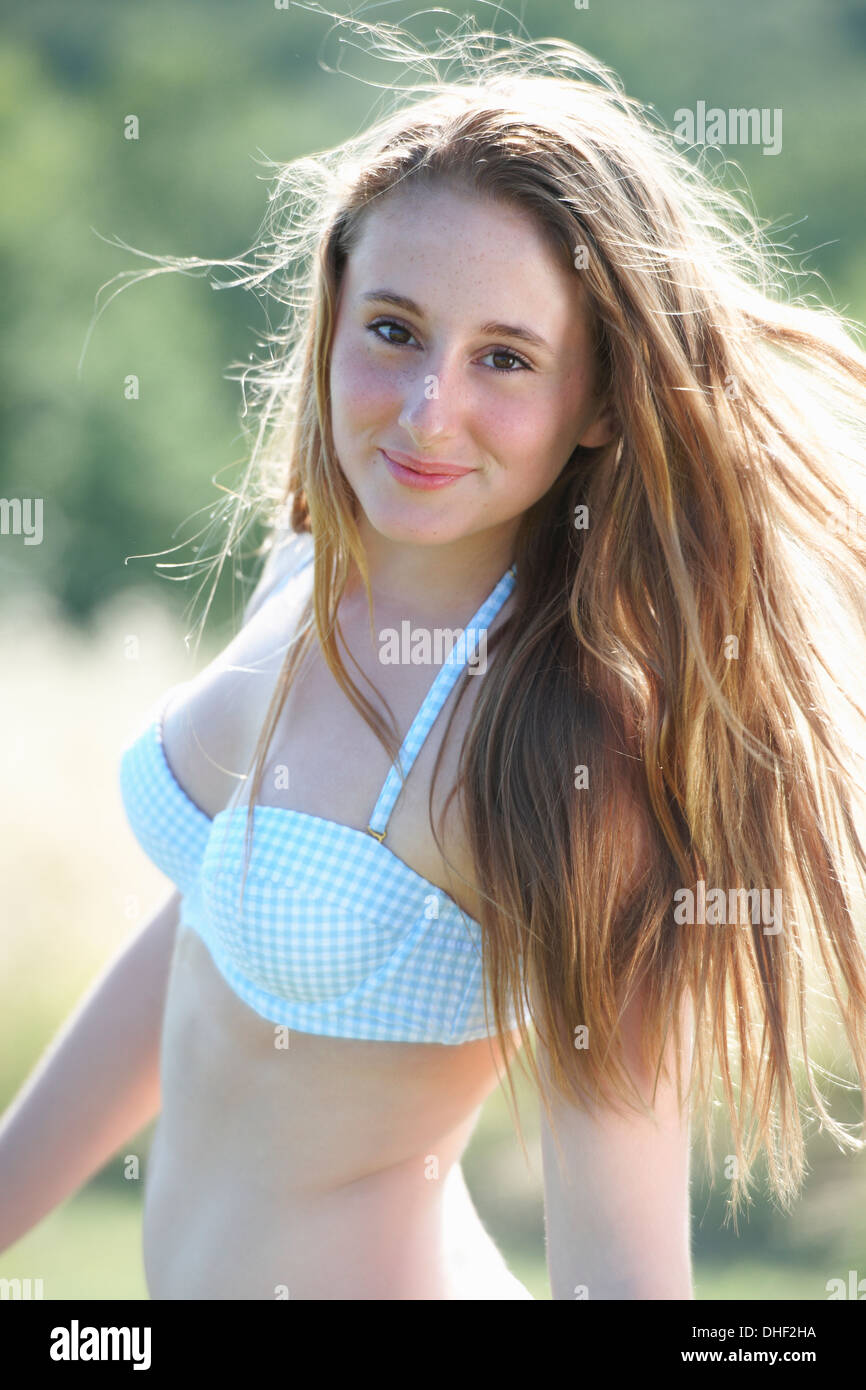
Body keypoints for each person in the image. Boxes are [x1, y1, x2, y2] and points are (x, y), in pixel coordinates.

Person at [2, 14, 866, 1301]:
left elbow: (622, 1279)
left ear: (593, 407)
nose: (424, 412)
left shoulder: (564, 758)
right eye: (394, 328)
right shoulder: (309, 566)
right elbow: (212, 930)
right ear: (332, 310)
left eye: (503, 360)